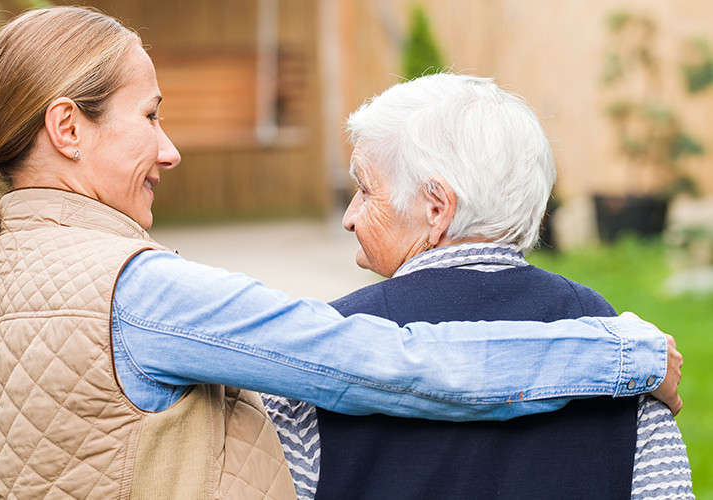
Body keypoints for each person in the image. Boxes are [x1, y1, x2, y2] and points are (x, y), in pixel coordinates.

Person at [0, 7, 681, 499]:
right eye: (150, 116)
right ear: (67, 128)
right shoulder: (136, 293)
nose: (170, 150)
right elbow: (391, 364)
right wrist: (626, 353)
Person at [264, 74, 693, 500]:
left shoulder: (322, 348)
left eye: (364, 188)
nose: (350, 216)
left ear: (436, 207)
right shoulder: (617, 341)